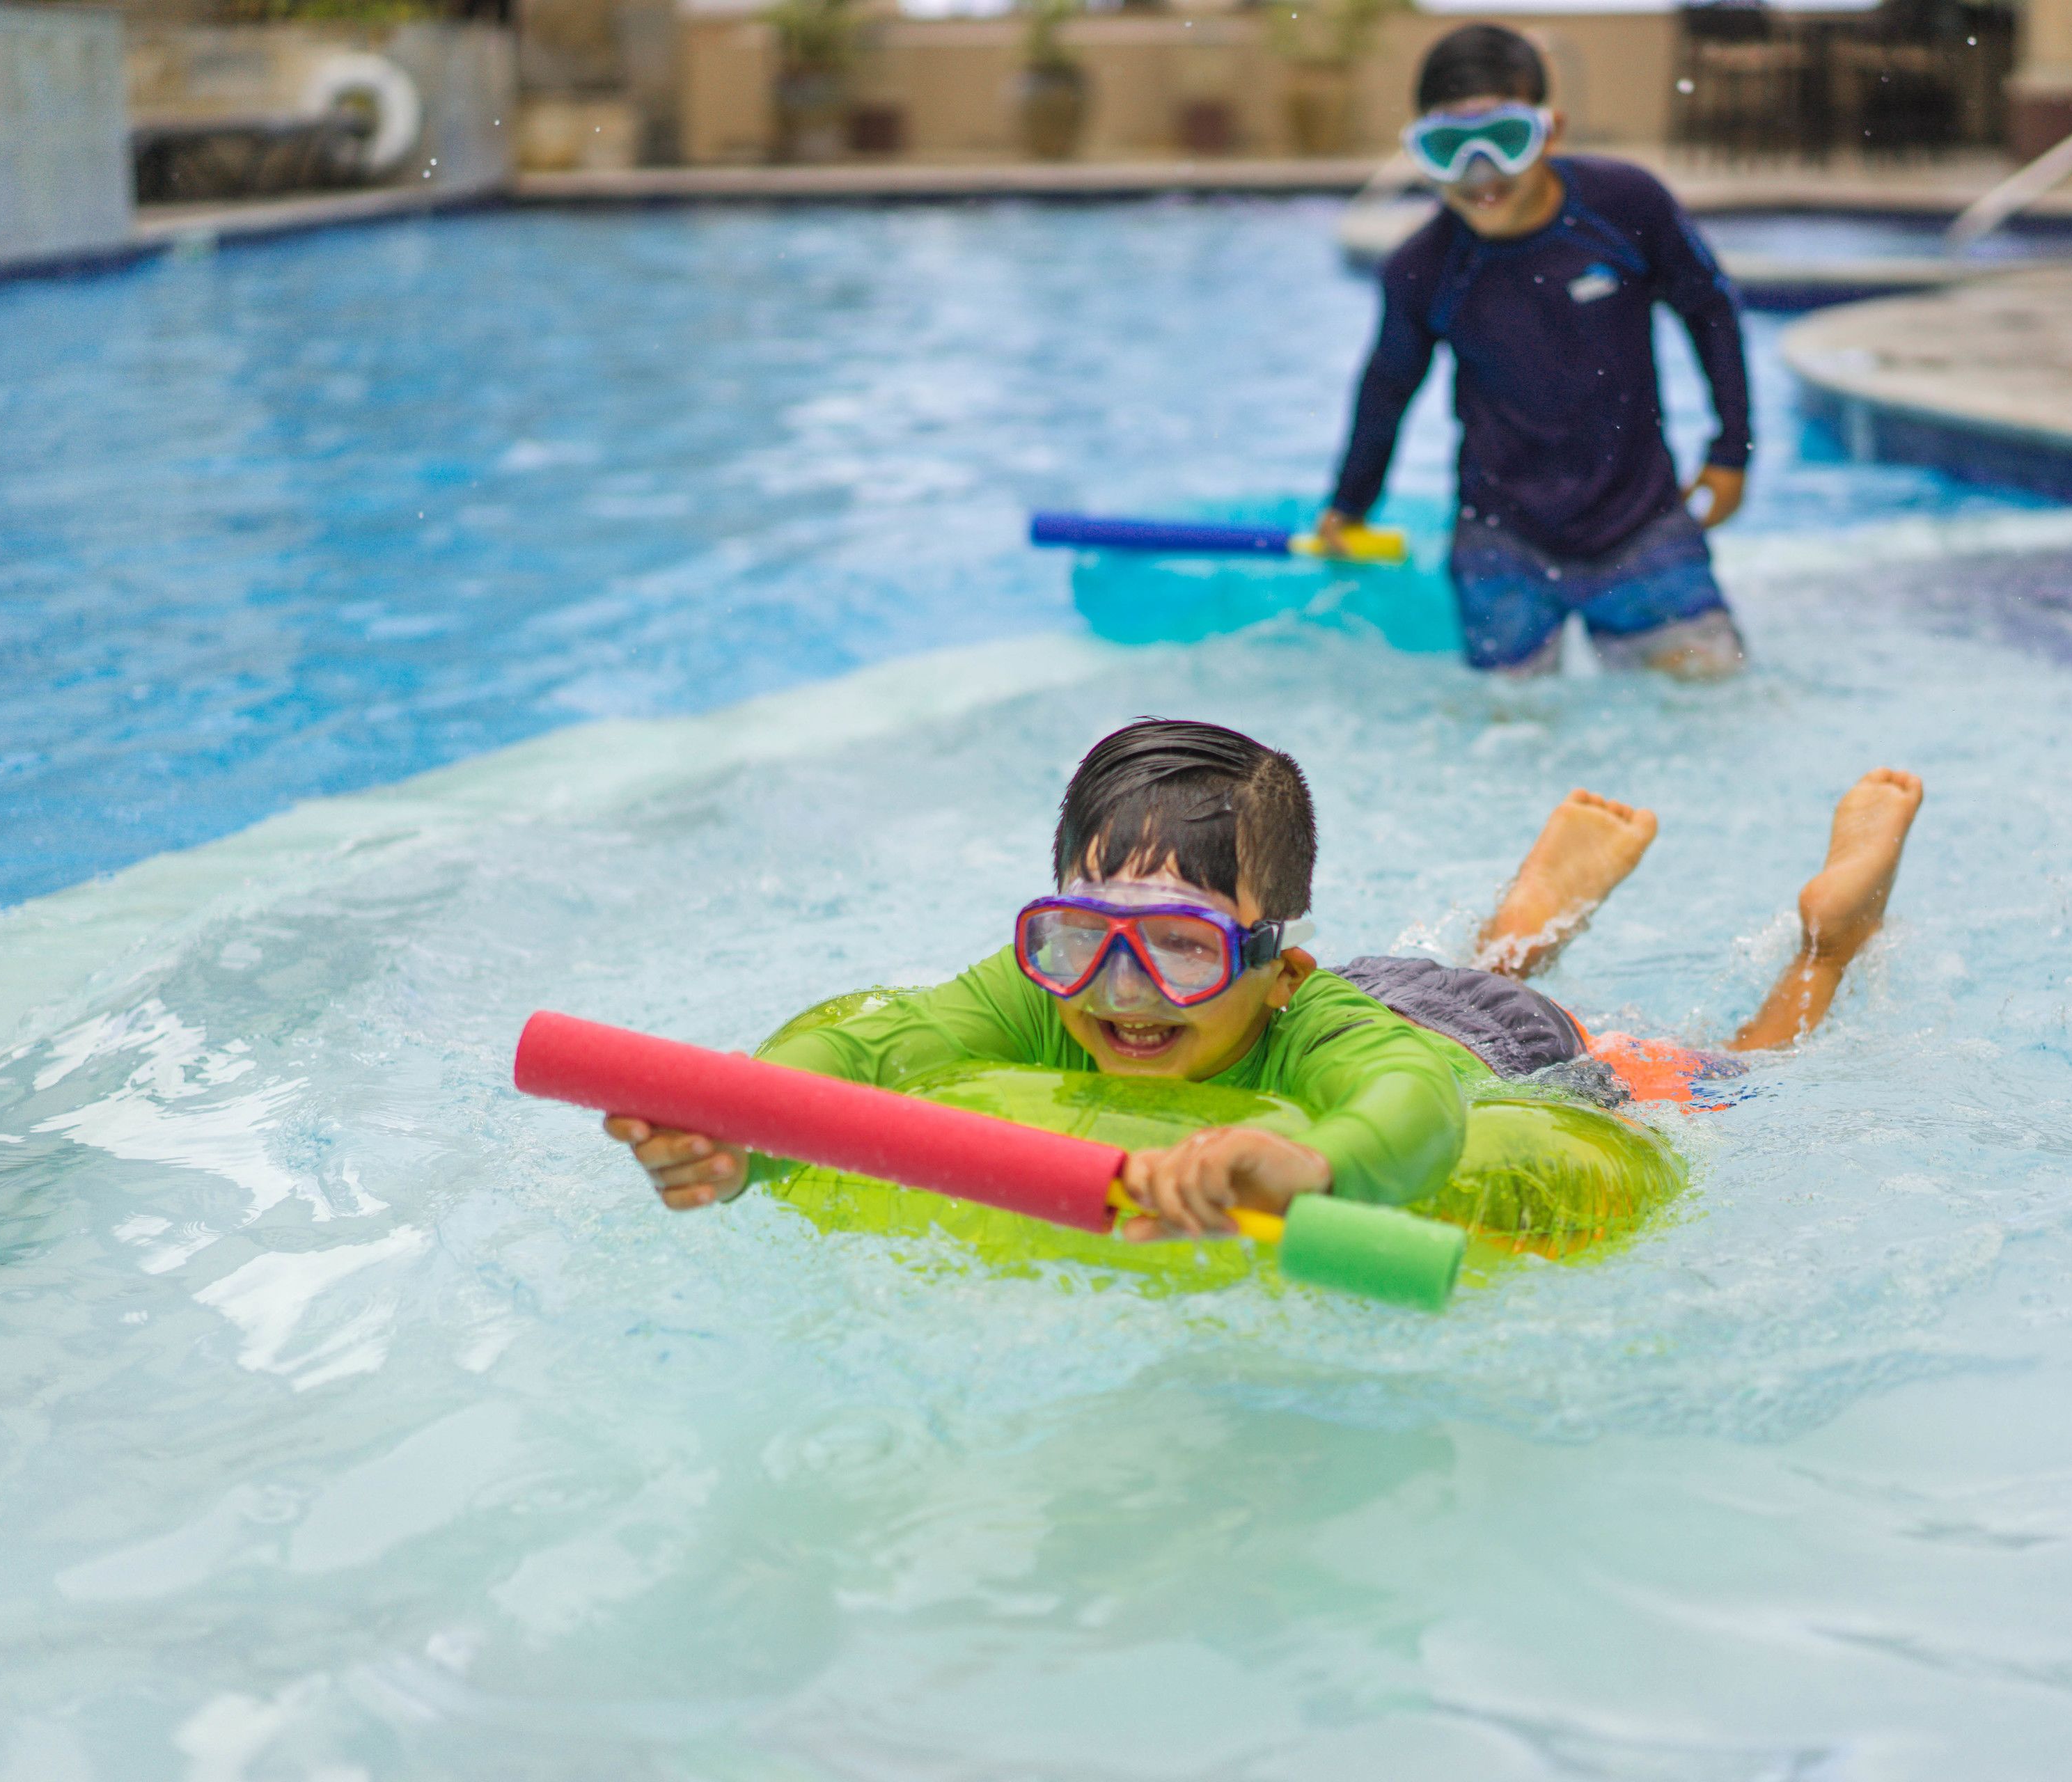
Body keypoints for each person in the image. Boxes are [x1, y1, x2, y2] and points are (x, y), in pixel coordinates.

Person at [609, 720, 1922, 1237]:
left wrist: (1312, 1168)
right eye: (1083, 934)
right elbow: (873, 1044)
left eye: (1176, 946)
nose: (1121, 989)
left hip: (1490, 1047)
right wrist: (749, 1134)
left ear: (1266, 960)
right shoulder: (1056, 987)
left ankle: (1827, 940)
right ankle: (1535, 905)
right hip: (1371, 981)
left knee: (1739, 1079)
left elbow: (1416, 1104)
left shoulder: (1321, 1019)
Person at [1315, 24, 1755, 681]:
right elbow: (1387, 387)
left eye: (1505, 139)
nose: (1480, 172)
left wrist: (1730, 450)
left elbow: (1709, 309)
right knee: (1512, 730)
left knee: (1717, 703)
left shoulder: (1626, 207)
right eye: (1449, 148)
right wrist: (1350, 506)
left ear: (1551, 131)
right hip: (1502, 540)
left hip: (1642, 521)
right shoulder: (1424, 268)